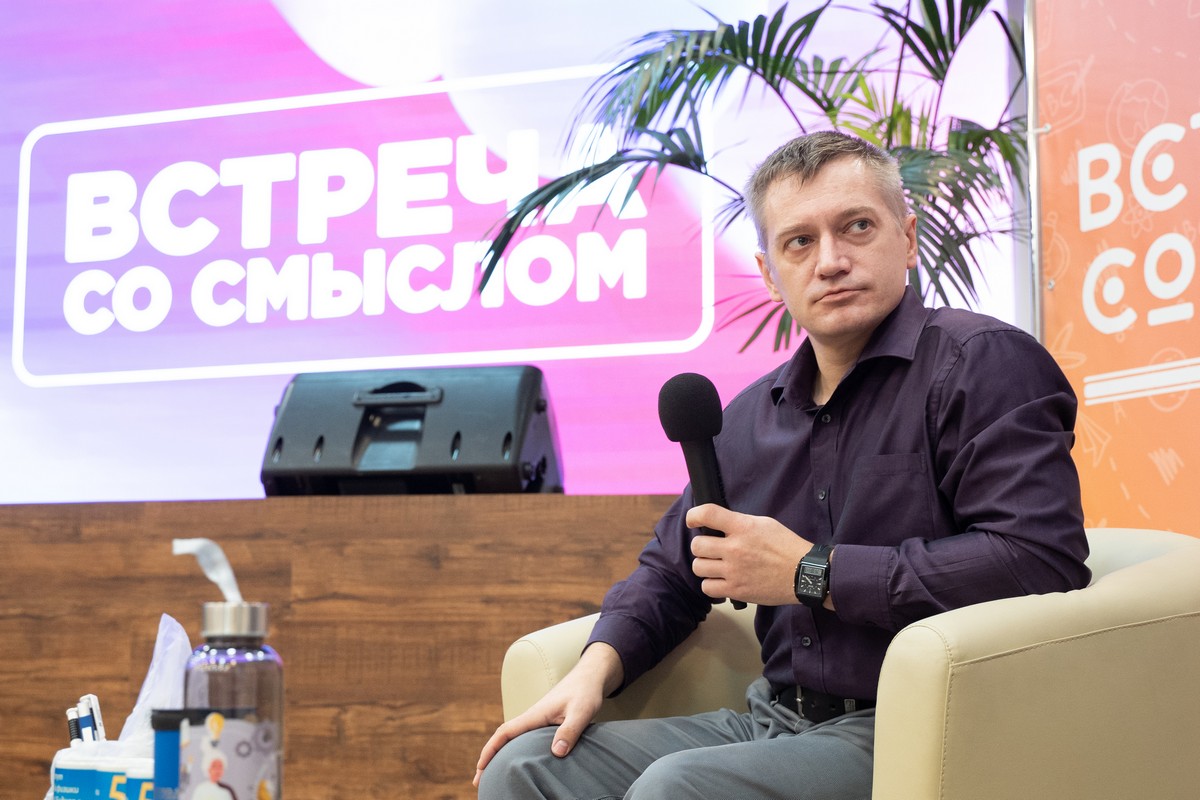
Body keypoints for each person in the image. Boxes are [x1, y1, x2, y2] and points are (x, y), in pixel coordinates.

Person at [474, 130, 1091, 800]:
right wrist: (594, 668)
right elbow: (673, 571)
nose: (831, 261)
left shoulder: (982, 363)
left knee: (679, 789)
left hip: (919, 726)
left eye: (857, 227)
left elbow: (1038, 558)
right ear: (771, 273)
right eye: (799, 241)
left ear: (908, 239)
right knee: (526, 768)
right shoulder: (749, 419)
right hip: (776, 719)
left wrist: (812, 572)